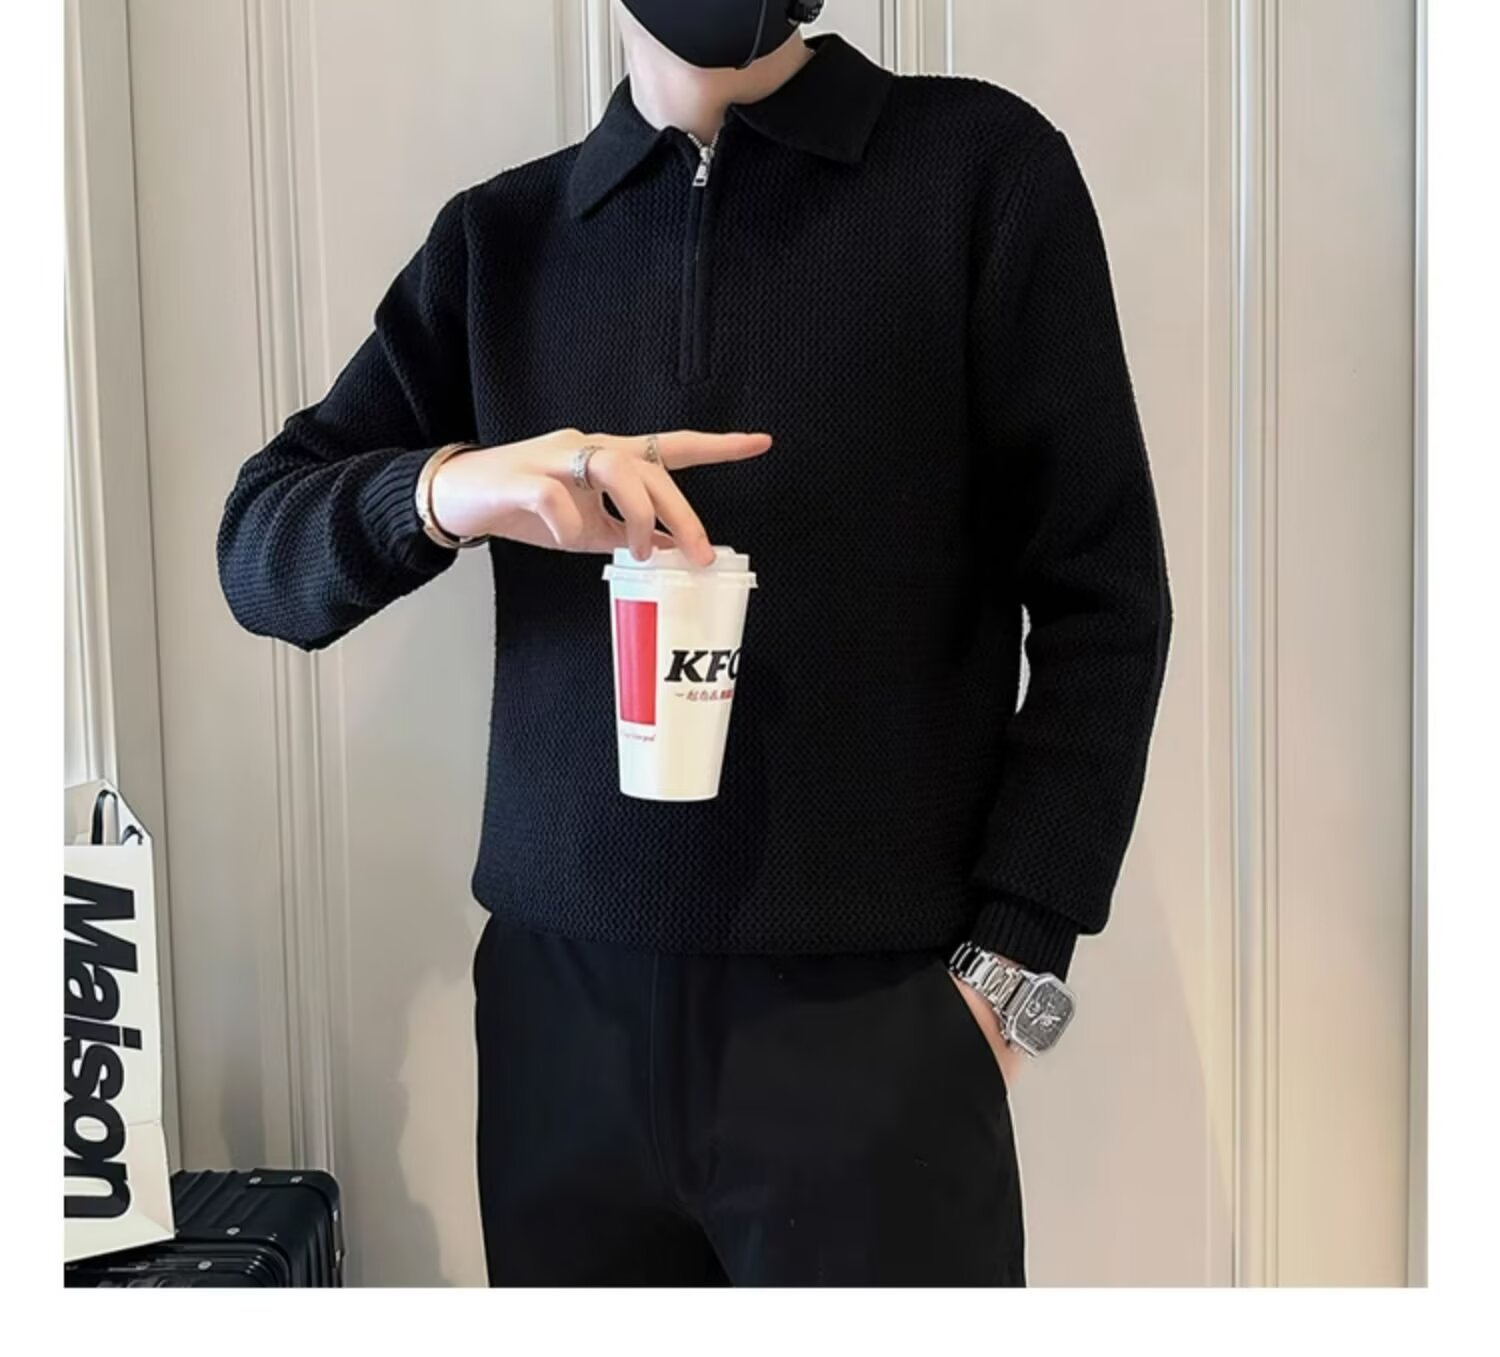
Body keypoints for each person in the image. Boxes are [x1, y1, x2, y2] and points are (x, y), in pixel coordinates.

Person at [217, 0, 1173, 1287]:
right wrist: (453, 487)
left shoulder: (979, 177)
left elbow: (1108, 601)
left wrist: (1012, 975)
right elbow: (260, 552)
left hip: (880, 1028)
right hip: (561, 1038)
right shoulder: (504, 240)